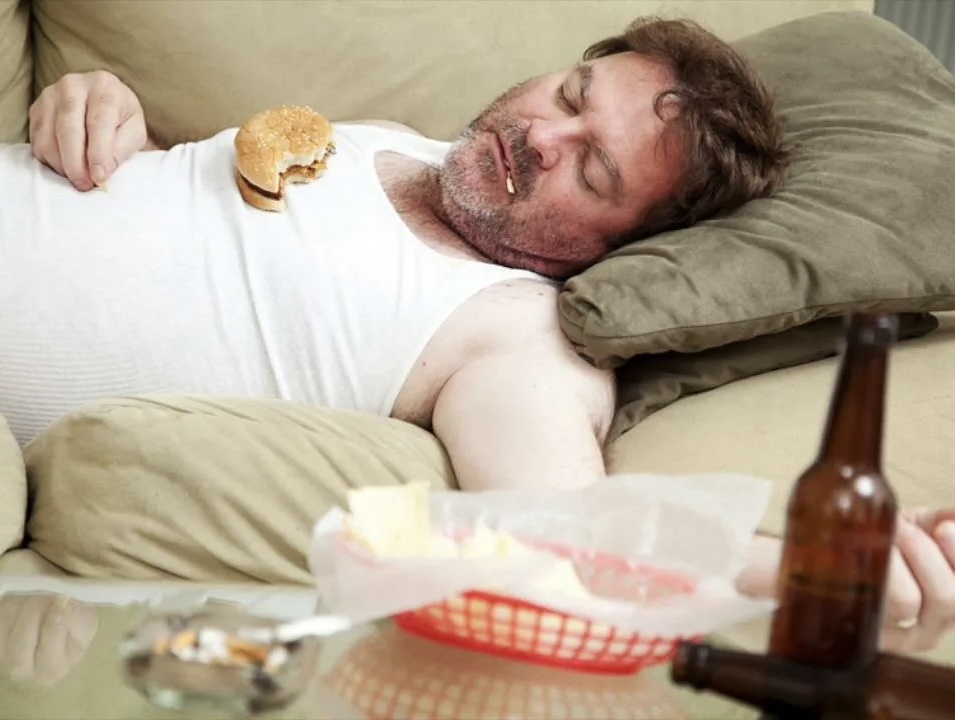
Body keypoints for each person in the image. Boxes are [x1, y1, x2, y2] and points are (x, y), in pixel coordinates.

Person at [4, 16, 954, 652]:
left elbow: (573, 540)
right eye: (572, 97)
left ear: (624, 246)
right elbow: (186, 224)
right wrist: (95, 105)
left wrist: (812, 569)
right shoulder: (389, 141)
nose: (542, 137)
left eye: (592, 172)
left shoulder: (516, 337)